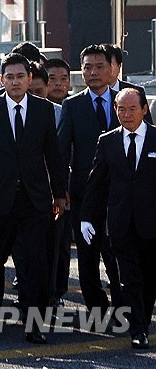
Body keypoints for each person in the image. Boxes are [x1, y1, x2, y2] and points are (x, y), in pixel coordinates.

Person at [0, 53, 67, 342]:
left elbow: (54, 156)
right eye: (9, 77)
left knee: (36, 263)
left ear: (29, 79)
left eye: (20, 76)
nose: (15, 81)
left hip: (36, 199)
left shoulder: (44, 110)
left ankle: (35, 326)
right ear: (2, 79)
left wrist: (59, 194)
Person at [80, 88, 156, 349]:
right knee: (129, 278)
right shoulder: (108, 141)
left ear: (144, 110)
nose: (126, 114)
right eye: (121, 109)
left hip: (152, 223)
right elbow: (96, 182)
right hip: (121, 222)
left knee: (150, 278)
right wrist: (87, 217)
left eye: (132, 109)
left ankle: (142, 320)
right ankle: (138, 329)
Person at [57, 44, 123, 312]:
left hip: (122, 191)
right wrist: (60, 190)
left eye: (99, 67)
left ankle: (124, 306)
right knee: (86, 254)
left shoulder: (129, 99)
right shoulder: (72, 105)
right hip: (84, 191)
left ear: (112, 69)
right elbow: (62, 151)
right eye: (87, 67)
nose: (93, 72)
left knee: (120, 252)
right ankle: (96, 306)